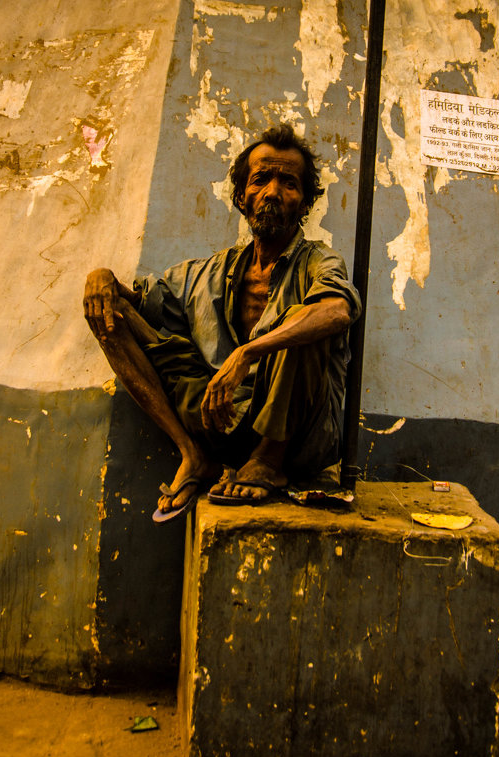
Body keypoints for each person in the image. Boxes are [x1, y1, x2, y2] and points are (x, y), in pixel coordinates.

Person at [83, 124, 361, 522]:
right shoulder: (206, 273)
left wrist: (249, 352)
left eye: (289, 183)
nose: (273, 193)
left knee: (308, 318)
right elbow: (142, 304)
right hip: (223, 426)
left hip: (298, 440)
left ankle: (268, 460)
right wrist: (102, 278)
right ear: (241, 196)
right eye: (261, 180)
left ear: (304, 203)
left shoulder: (320, 262)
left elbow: (337, 310)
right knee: (112, 313)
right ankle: (193, 455)